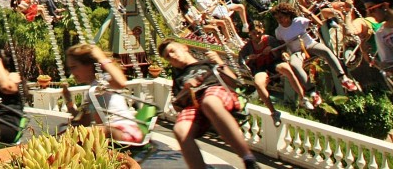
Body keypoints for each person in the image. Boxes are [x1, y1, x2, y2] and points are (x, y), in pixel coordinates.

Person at [158, 39, 259, 169]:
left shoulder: (207, 63)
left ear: (184, 47)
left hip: (215, 91)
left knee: (209, 102)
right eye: (167, 57)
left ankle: (248, 159)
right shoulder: (178, 77)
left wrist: (220, 63)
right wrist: (186, 89)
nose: (171, 56)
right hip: (194, 103)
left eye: (172, 51)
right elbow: (177, 106)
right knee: (180, 130)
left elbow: (234, 83)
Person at [271, 2, 358, 105]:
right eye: (277, 19)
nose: (279, 20)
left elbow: (319, 24)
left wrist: (308, 13)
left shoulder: (299, 21)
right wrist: (284, 53)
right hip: (297, 52)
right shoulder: (279, 31)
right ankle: (312, 91)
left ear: (288, 15)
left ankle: (343, 78)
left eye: (281, 17)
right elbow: (283, 46)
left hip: (309, 45)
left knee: (326, 51)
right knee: (294, 65)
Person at [62, 43, 144, 143]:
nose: (72, 72)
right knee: (73, 132)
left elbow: (121, 83)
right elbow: (83, 122)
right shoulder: (91, 91)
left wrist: (101, 58)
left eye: (74, 67)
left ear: (89, 65)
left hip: (125, 132)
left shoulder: (104, 81)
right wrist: (68, 101)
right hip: (108, 134)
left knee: (91, 132)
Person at [238, 21, 305, 126]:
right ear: (250, 34)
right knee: (258, 84)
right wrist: (248, 58)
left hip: (274, 64)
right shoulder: (248, 46)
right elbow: (241, 59)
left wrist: (272, 50)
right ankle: (274, 112)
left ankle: (302, 97)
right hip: (261, 68)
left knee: (286, 68)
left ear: (262, 31)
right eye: (254, 33)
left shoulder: (269, 39)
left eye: (258, 33)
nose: (256, 36)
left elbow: (281, 50)